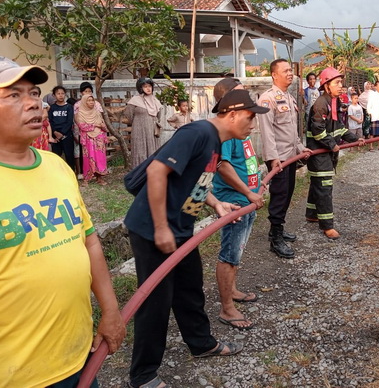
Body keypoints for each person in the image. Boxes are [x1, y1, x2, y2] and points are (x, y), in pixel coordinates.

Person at [0, 55, 124, 387]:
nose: (32, 104)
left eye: (32, 93)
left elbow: (88, 241)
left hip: (79, 359)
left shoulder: (55, 166)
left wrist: (111, 311)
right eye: (13, 95)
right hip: (11, 377)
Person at [124, 88, 268, 388]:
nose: (252, 124)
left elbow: (196, 179)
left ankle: (201, 343)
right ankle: (142, 375)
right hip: (154, 230)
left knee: (189, 289)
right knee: (155, 302)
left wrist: (216, 203)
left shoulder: (216, 141)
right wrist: (161, 227)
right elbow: (156, 171)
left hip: (180, 229)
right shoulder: (198, 132)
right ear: (231, 115)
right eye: (249, 117)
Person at [211, 79, 268, 331]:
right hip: (235, 201)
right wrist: (247, 192)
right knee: (229, 254)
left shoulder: (242, 125)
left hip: (248, 198)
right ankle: (226, 308)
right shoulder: (225, 131)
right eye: (240, 93)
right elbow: (222, 165)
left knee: (238, 251)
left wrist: (257, 187)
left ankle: (232, 290)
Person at [257, 59, 311, 259]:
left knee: (287, 193)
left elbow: (291, 130)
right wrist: (272, 158)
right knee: (279, 196)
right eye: (286, 70)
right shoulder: (267, 99)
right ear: (274, 74)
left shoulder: (289, 97)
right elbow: (267, 131)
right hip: (278, 158)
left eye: (291, 70)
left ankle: (277, 229)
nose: (290, 73)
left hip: (290, 156)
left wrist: (300, 147)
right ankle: (275, 239)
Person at [305, 67, 364, 239]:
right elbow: (318, 131)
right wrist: (332, 144)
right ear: (326, 85)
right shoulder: (321, 104)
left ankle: (312, 213)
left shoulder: (333, 102)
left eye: (341, 82)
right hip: (319, 153)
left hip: (325, 152)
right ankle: (327, 226)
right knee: (324, 187)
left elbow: (338, 128)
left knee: (317, 184)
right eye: (336, 83)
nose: (341, 86)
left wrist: (354, 139)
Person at [124, 77, 162, 167]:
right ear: (141, 88)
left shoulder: (155, 101)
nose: (148, 88)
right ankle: (139, 174)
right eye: (145, 86)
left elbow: (159, 116)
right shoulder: (135, 100)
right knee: (140, 150)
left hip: (152, 132)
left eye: (150, 86)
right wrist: (139, 122)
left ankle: (152, 173)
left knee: (153, 151)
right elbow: (128, 114)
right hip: (139, 131)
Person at [76, 94, 109, 186]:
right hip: (88, 138)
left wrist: (102, 127)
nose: (91, 102)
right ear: (84, 102)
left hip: (99, 137)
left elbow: (103, 125)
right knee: (88, 158)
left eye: (92, 100)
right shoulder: (80, 113)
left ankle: (99, 177)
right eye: (88, 100)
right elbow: (82, 126)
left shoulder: (97, 112)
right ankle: (86, 179)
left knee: (99, 158)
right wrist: (95, 125)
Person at [49, 85, 76, 170]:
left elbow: (69, 121)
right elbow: (50, 121)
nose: (60, 95)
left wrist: (62, 133)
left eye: (62, 93)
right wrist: (55, 132)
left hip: (67, 135)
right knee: (56, 156)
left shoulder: (69, 107)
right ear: (54, 95)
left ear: (65, 94)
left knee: (69, 155)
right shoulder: (52, 108)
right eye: (58, 93)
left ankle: (72, 174)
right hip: (55, 136)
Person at [367, 80, 379, 151]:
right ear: (375, 86)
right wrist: (371, 112)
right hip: (375, 115)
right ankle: (371, 146)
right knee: (373, 132)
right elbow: (369, 105)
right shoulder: (372, 94)